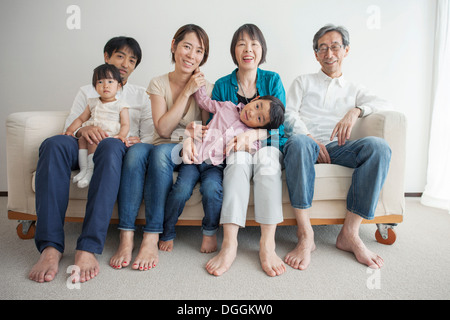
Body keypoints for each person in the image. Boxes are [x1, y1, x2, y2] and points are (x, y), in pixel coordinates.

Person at [29, 36, 153, 283]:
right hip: (82, 146)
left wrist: (133, 139)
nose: (125, 64)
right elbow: (70, 125)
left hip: (114, 148)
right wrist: (81, 131)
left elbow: (149, 135)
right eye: (120, 56)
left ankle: (88, 247)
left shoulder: (141, 95)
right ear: (107, 56)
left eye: (132, 60)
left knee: (110, 146)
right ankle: (50, 247)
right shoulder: (87, 91)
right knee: (53, 145)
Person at [283, 24, 391, 270]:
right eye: (323, 48)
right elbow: (288, 115)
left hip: (339, 146)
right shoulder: (303, 82)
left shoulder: (355, 89)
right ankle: (305, 235)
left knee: (379, 148)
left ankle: (349, 234)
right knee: (297, 142)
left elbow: (385, 102)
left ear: (346, 50)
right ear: (316, 54)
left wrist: (356, 110)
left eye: (334, 47)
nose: (329, 53)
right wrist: (309, 136)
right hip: (306, 143)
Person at [110, 24, 214, 271]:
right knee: (135, 154)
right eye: (187, 47)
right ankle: (126, 237)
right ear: (174, 46)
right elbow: (162, 130)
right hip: (161, 143)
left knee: (158, 155)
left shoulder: (206, 88)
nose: (191, 55)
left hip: (187, 149)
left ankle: (151, 236)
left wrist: (195, 92)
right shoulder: (158, 83)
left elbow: (206, 134)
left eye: (199, 51)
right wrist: (187, 90)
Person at [160, 85, 285, 252]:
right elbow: (205, 103)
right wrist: (200, 85)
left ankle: (209, 233)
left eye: (260, 119)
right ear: (255, 99)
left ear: (261, 127)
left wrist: (246, 145)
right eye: (257, 106)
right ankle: (167, 232)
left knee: (212, 191)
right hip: (194, 158)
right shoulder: (227, 106)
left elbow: (255, 150)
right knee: (180, 190)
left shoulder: (249, 133)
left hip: (215, 166)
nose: (253, 113)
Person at [205, 24, 287, 277]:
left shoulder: (272, 80)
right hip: (233, 146)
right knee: (238, 161)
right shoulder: (221, 85)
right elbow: (213, 129)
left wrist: (255, 133)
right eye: (241, 43)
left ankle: (267, 244)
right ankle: (230, 244)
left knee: (267, 162)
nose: (248, 49)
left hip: (268, 145)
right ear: (234, 50)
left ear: (262, 50)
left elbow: (281, 131)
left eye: (254, 44)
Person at [64, 63, 130, 188]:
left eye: (110, 81)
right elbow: (81, 118)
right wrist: (70, 131)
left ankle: (90, 172)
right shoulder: (92, 102)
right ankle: (84, 169)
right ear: (95, 86)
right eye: (100, 82)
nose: (105, 85)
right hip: (92, 131)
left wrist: (121, 135)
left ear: (119, 86)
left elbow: (126, 124)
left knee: (93, 140)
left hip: (107, 134)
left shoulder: (121, 105)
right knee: (83, 140)